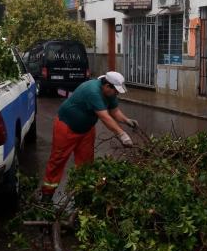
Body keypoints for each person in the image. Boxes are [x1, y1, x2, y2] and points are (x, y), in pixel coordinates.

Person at [40, 71, 138, 199]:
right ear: (107, 86)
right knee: (58, 160)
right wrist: (122, 135)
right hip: (66, 127)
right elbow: (105, 117)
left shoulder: (110, 93)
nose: (117, 94)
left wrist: (127, 121)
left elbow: (114, 111)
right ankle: (47, 195)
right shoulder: (93, 91)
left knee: (86, 163)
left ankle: (82, 194)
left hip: (86, 130)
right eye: (116, 91)